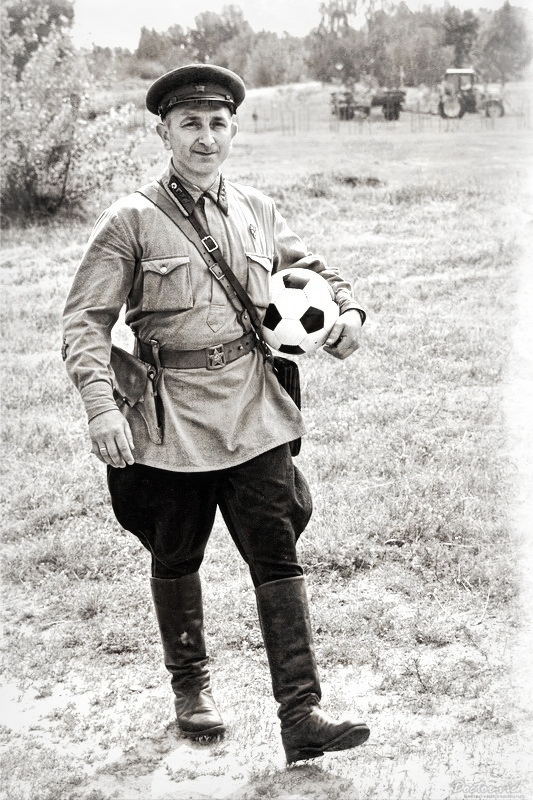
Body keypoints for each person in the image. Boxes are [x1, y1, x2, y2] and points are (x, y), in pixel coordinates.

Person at [62, 64, 370, 764]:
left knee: (276, 549)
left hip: (252, 407)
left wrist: (349, 310)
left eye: (218, 124)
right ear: (164, 132)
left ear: (233, 130)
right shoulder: (131, 219)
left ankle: (302, 714)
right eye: (191, 124)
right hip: (167, 415)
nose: (206, 138)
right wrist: (101, 408)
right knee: (176, 551)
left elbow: (313, 272)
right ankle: (191, 689)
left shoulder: (258, 209)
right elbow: (84, 322)